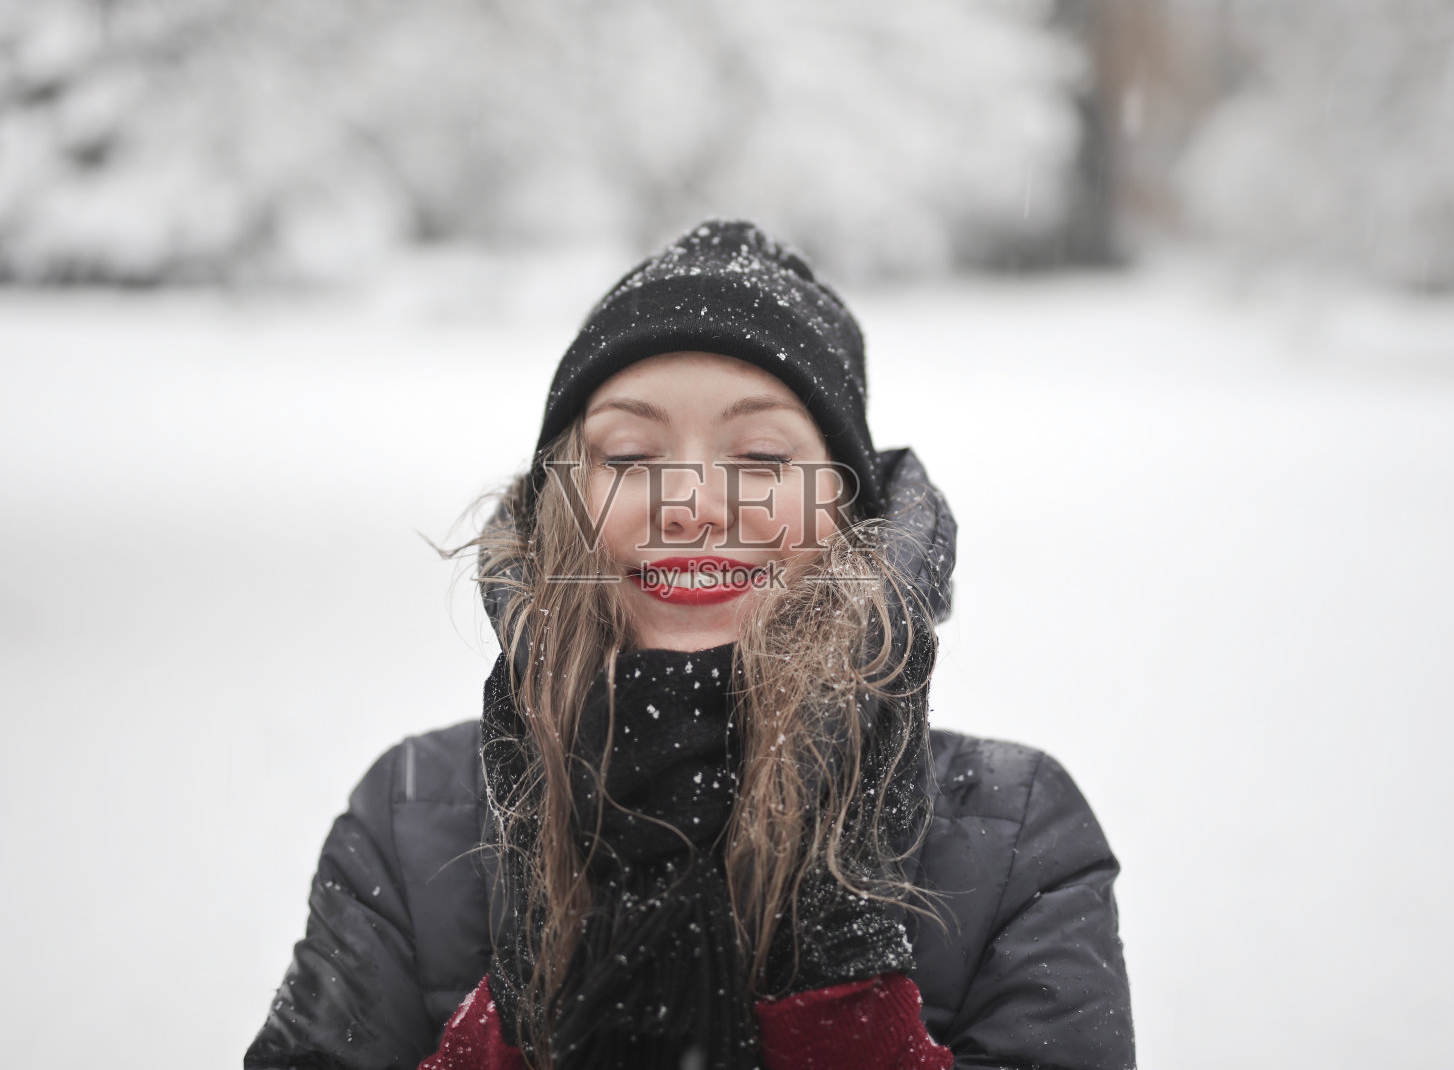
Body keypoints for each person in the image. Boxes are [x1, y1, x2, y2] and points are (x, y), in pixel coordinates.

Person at [245, 219, 1135, 1070]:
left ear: (851, 513)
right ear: (561, 504)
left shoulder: (1022, 835)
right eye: (630, 457)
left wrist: (842, 990)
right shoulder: (407, 816)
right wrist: (520, 1017)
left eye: (763, 459)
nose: (695, 506)